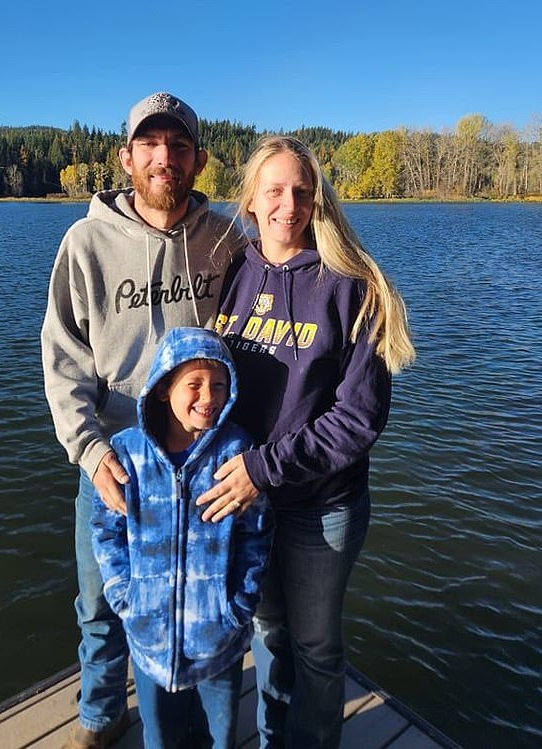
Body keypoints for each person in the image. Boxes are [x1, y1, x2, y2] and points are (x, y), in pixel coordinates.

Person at [197, 135, 416, 748]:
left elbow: (359, 420)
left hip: (322, 508)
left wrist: (262, 469)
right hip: (250, 499)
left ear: (318, 199)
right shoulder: (233, 272)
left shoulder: (352, 285)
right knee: (269, 633)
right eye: (274, 190)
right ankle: (273, 738)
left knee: (316, 646)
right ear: (250, 201)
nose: (287, 204)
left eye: (301, 190)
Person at [41, 92, 245, 749]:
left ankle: (199, 720)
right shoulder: (85, 242)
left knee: (200, 597)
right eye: (150, 145)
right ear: (126, 157)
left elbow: (252, 340)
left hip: (203, 453)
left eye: (179, 145)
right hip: (118, 453)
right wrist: (92, 451)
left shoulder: (225, 241)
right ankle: (102, 713)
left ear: (198, 158)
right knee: (100, 603)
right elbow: (63, 359)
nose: (165, 157)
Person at [91, 326, 273, 748]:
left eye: (219, 385)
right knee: (161, 737)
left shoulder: (236, 453)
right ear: (161, 389)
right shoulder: (127, 454)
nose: (208, 397)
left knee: (218, 736)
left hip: (218, 641)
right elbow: (106, 531)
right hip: (150, 641)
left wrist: (238, 606)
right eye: (193, 385)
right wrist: (124, 597)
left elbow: (256, 534)